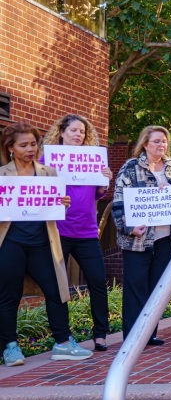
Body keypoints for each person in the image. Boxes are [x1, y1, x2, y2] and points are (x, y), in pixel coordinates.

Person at [0, 123, 89, 366]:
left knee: (57, 291)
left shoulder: (49, 173)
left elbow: (55, 205)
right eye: (23, 145)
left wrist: (63, 201)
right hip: (11, 243)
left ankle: (62, 342)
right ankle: (10, 347)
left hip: (43, 243)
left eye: (33, 144)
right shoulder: (2, 175)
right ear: (10, 148)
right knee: (9, 296)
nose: (30, 149)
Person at [43, 114, 112, 351]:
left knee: (97, 281)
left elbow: (96, 194)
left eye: (81, 131)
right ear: (61, 132)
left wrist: (104, 184)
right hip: (58, 232)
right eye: (73, 130)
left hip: (87, 232)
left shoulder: (92, 160)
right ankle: (63, 337)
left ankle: (101, 333)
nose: (78, 135)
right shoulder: (47, 159)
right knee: (58, 285)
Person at [113, 125, 171, 346]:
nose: (161, 145)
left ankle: (149, 333)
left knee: (157, 286)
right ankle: (133, 338)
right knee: (136, 286)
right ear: (145, 144)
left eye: (164, 141)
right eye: (156, 141)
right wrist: (127, 227)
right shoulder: (131, 167)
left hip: (165, 237)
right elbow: (118, 202)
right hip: (137, 238)